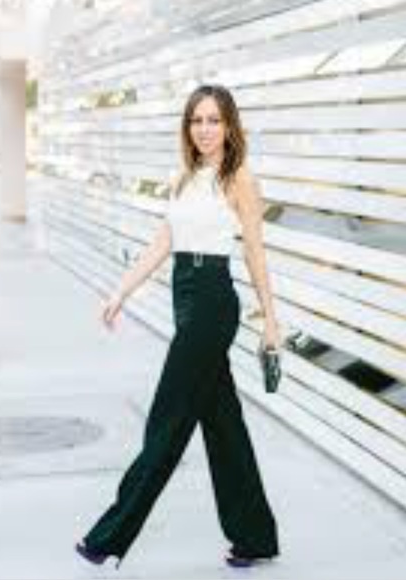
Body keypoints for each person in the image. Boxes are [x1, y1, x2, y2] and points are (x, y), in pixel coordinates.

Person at [76, 84, 282, 569]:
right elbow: (163, 242)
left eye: (214, 120)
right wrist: (120, 291)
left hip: (212, 301)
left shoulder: (239, 179)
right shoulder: (183, 178)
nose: (205, 129)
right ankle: (255, 536)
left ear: (229, 126)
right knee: (223, 425)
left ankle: (109, 536)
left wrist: (271, 320)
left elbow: (255, 253)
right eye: (197, 120)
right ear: (187, 127)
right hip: (184, 296)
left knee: (167, 421)